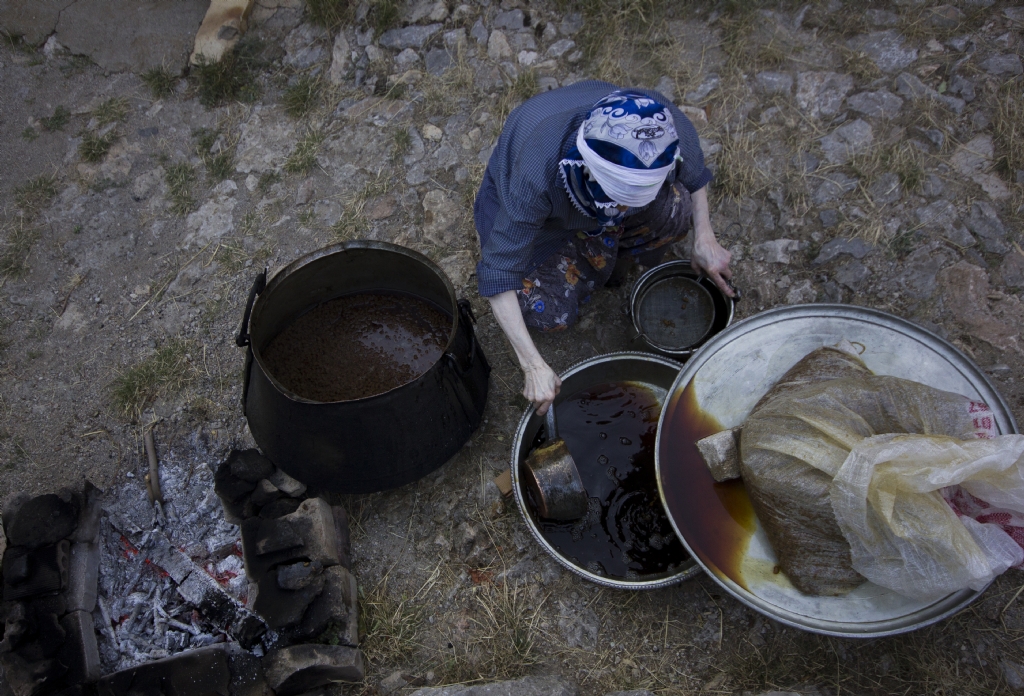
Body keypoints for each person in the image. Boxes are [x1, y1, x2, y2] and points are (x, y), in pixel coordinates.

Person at [473, 80, 734, 415]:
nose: (621, 213)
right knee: (550, 312)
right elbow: (498, 271)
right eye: (616, 200)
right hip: (544, 226)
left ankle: (607, 252)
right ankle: (590, 253)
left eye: (630, 203)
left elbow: (694, 173)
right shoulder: (537, 167)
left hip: (590, 209)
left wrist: (705, 239)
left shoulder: (657, 124)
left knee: (676, 212)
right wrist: (532, 365)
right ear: (588, 168)